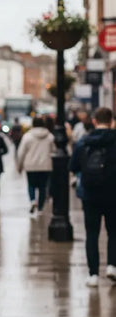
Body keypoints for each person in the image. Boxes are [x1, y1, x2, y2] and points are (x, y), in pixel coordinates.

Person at [70, 107, 116, 289]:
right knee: (113, 232)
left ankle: (93, 275)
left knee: (92, 234)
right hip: (113, 193)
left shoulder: (84, 142)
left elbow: (72, 166)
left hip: (90, 194)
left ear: (95, 121)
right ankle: (112, 266)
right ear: (111, 121)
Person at [16, 117, 54, 216]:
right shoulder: (50, 136)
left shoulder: (27, 136)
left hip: (30, 165)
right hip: (46, 165)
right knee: (43, 187)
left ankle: (33, 201)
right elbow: (54, 151)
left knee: (31, 185)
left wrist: (19, 166)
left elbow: (21, 152)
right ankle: (40, 207)